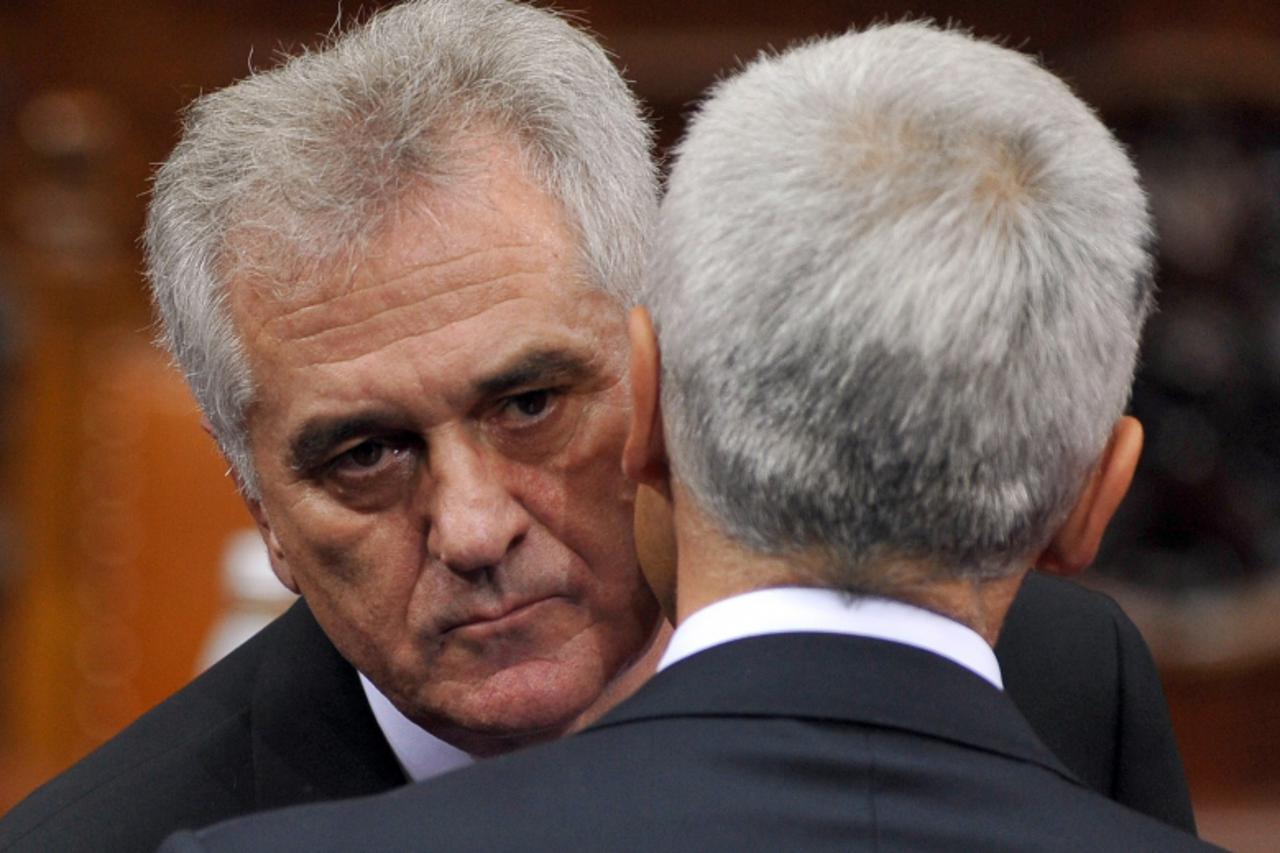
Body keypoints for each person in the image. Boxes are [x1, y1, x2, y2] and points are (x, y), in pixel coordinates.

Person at [0, 3, 1191, 850]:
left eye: (529, 404)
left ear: (653, 366)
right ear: (256, 503)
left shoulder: (1053, 678)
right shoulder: (125, 839)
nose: (472, 528)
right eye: (364, 455)